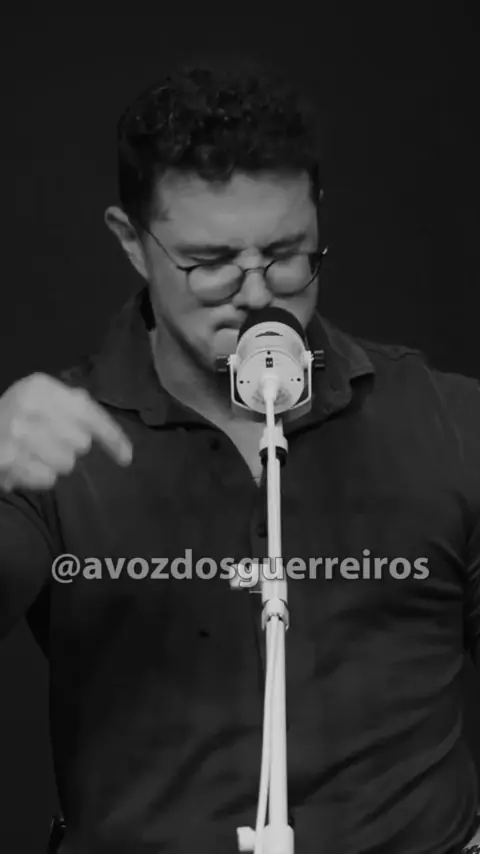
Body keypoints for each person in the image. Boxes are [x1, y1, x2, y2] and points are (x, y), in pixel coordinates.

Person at [1, 58, 480, 854]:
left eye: (287, 253)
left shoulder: (451, 421)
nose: (257, 294)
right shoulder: (49, 444)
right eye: (212, 263)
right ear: (132, 242)